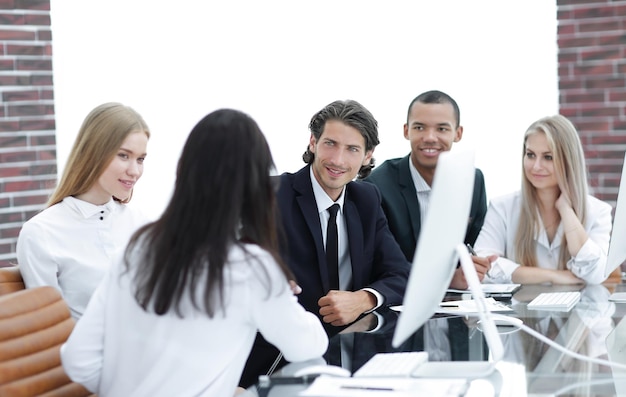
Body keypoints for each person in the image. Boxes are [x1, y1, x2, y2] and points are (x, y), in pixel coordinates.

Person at [60, 109, 328, 397]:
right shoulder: (252, 268)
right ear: (255, 184)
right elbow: (310, 346)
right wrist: (280, 294)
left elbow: (78, 362)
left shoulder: (137, 247)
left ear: (184, 170)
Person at [239, 99, 410, 387]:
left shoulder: (367, 200)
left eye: (352, 149)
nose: (338, 160)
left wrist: (363, 299)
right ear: (313, 142)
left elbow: (401, 274)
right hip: (276, 365)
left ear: (368, 156)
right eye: (330, 143)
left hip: (348, 359)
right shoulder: (270, 195)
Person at [16, 102, 151, 319]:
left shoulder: (140, 224)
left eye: (141, 159)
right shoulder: (41, 233)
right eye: (124, 155)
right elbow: (51, 328)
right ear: (94, 153)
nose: (135, 171)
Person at [364, 90, 492, 289]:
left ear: (458, 134)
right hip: (399, 300)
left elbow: (473, 246)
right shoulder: (376, 186)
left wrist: (475, 266)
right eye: (420, 127)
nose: (430, 138)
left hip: (457, 302)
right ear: (406, 131)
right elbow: (381, 263)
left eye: (442, 129)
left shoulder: (473, 180)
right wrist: (446, 280)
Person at [474, 114, 612, 284]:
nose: (536, 166)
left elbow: (596, 274)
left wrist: (566, 210)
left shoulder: (598, 212)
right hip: (519, 309)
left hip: (580, 310)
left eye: (548, 157)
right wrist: (553, 276)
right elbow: (483, 267)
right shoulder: (502, 207)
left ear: (568, 161)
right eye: (530, 155)